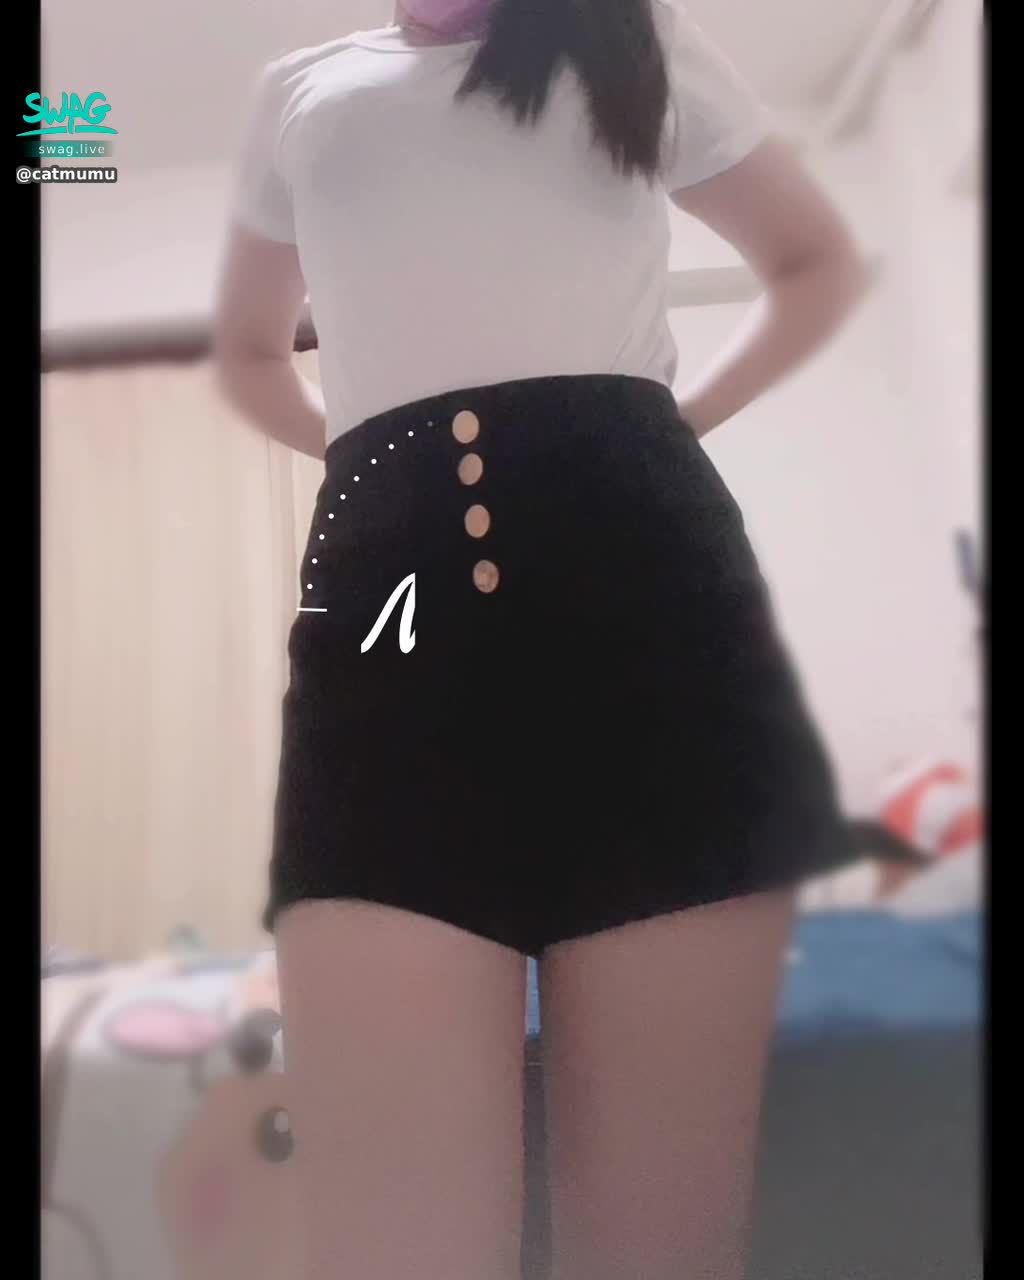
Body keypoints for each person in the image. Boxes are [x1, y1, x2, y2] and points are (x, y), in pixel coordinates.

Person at [213, 2, 869, 1277]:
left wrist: (670, 424)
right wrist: (376, 457)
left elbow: (814, 260)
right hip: (389, 622)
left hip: (657, 615)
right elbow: (248, 352)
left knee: (657, 1246)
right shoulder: (300, 91)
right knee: (393, 1246)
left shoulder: (629, 36)